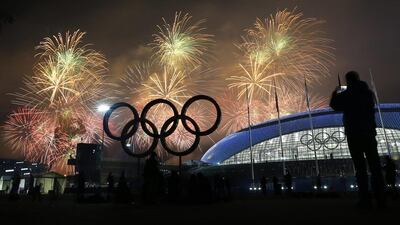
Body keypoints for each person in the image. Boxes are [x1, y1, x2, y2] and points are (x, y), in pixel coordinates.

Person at [330, 71, 386, 208]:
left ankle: (365, 200)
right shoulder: (368, 93)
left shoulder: (347, 94)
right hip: (368, 132)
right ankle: (381, 199)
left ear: (348, 80)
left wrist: (335, 92)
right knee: (375, 167)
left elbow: (333, 105)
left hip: (354, 133)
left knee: (360, 168)